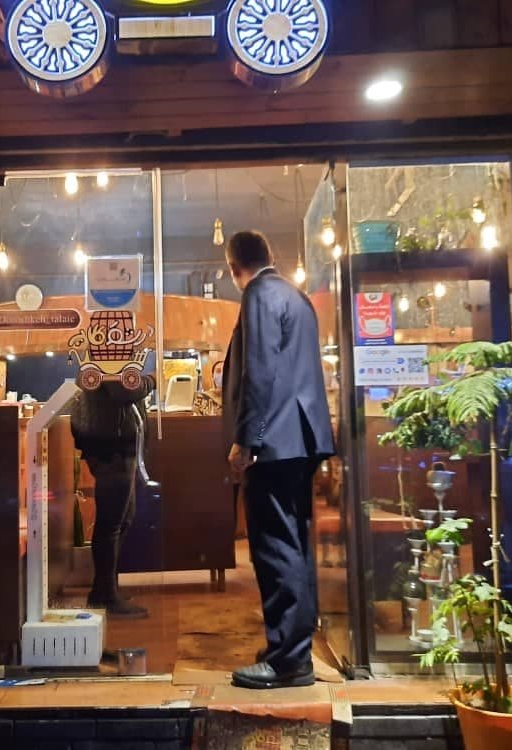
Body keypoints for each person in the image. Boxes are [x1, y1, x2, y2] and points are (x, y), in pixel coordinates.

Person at [222, 230, 336, 689]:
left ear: (234, 267)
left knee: (274, 546)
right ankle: (293, 648)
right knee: (295, 544)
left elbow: (260, 371)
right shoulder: (296, 297)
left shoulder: (258, 294)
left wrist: (246, 440)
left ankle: (288, 661)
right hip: (301, 440)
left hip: (273, 442)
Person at [71, 373, 156, 619]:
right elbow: (125, 390)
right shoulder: (108, 358)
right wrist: (151, 381)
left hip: (113, 445)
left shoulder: (105, 358)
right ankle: (105, 595)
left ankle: (105, 589)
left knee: (121, 519)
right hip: (112, 448)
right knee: (112, 524)